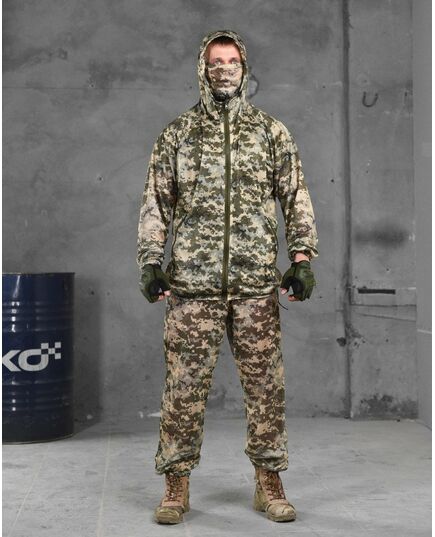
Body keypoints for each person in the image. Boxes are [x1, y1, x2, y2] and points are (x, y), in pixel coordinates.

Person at [136, 29, 319, 525]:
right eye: (215, 62)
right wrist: (151, 262)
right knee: (183, 389)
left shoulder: (270, 132)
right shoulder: (178, 134)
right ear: (203, 68)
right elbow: (156, 201)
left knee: (265, 389)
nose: (224, 70)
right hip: (192, 288)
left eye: (232, 61)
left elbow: (295, 195)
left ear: (244, 67)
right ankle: (175, 485)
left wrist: (302, 258)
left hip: (255, 285)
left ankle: (269, 482)